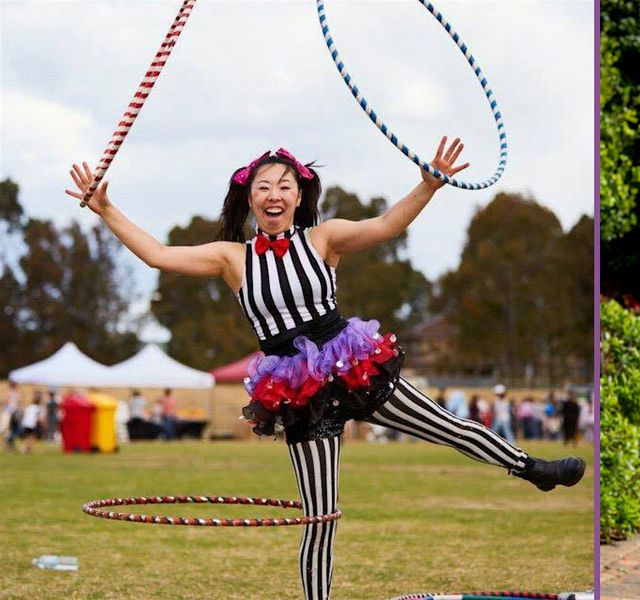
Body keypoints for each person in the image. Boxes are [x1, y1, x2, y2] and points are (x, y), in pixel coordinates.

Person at [68, 139, 585, 600]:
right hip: (296, 388)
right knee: (320, 516)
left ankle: (531, 469)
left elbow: (386, 224)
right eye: (264, 186)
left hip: (351, 363)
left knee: (448, 426)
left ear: (298, 195)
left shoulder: (324, 239)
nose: (274, 194)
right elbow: (158, 256)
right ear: (249, 198)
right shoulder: (232, 258)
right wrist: (106, 207)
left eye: (284, 185)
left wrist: (428, 185)